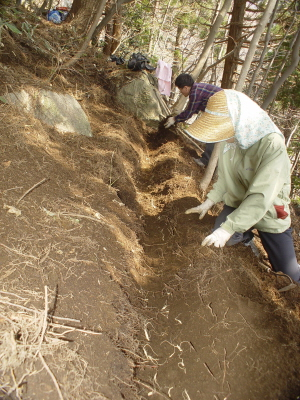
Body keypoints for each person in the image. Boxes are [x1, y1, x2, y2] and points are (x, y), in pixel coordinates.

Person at [184, 89, 300, 284]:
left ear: (238, 121)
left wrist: (228, 227)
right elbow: (225, 177)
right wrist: (210, 201)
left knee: (289, 274)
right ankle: (245, 237)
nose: (222, 136)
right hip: (238, 203)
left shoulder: (272, 144)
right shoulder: (232, 140)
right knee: (223, 239)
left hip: (270, 210)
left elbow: (261, 196)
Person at [164, 73, 222, 167]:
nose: (181, 93)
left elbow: (189, 113)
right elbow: (194, 110)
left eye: (180, 90)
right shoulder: (198, 88)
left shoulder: (195, 93)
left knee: (212, 133)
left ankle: (206, 161)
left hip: (223, 112)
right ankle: (213, 162)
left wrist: (175, 119)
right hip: (221, 111)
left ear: (186, 88)